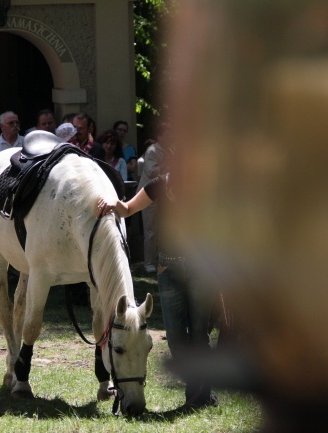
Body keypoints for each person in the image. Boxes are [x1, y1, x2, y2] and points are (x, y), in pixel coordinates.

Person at [97, 172, 218, 411]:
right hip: (168, 268)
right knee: (174, 337)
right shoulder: (161, 183)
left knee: (198, 333)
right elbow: (128, 208)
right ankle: (199, 391)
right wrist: (114, 204)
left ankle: (200, 395)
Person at [138, 123, 171, 273]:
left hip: (164, 196)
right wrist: (168, 166)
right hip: (148, 195)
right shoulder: (152, 150)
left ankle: (161, 260)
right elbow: (152, 172)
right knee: (150, 230)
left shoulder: (169, 150)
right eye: (168, 134)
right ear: (159, 136)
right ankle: (148, 263)